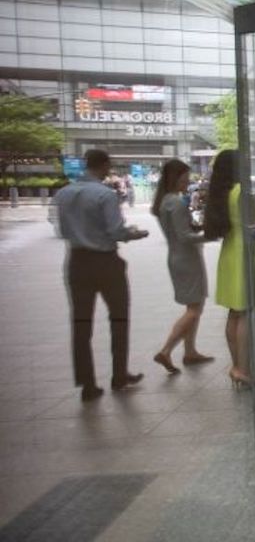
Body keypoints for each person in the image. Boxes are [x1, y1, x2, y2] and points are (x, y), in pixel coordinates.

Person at [55, 149, 148, 401]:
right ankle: (119, 375)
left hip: (76, 261)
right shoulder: (105, 195)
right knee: (118, 319)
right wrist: (137, 233)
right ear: (105, 165)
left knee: (81, 324)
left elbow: (62, 230)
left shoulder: (63, 194)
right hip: (106, 262)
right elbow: (117, 232)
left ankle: (87, 383)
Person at [204, 149, 255, 388]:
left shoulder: (223, 193)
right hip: (245, 254)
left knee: (234, 313)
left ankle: (237, 366)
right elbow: (253, 226)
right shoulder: (242, 193)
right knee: (244, 313)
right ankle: (243, 368)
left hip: (231, 253)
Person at [151, 159, 214, 374]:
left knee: (193, 306)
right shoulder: (175, 203)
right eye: (185, 177)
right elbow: (185, 236)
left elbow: (182, 230)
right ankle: (167, 349)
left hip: (177, 257)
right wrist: (209, 236)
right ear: (174, 177)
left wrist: (197, 227)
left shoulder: (165, 201)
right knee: (194, 310)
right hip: (187, 259)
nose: (188, 181)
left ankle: (190, 351)